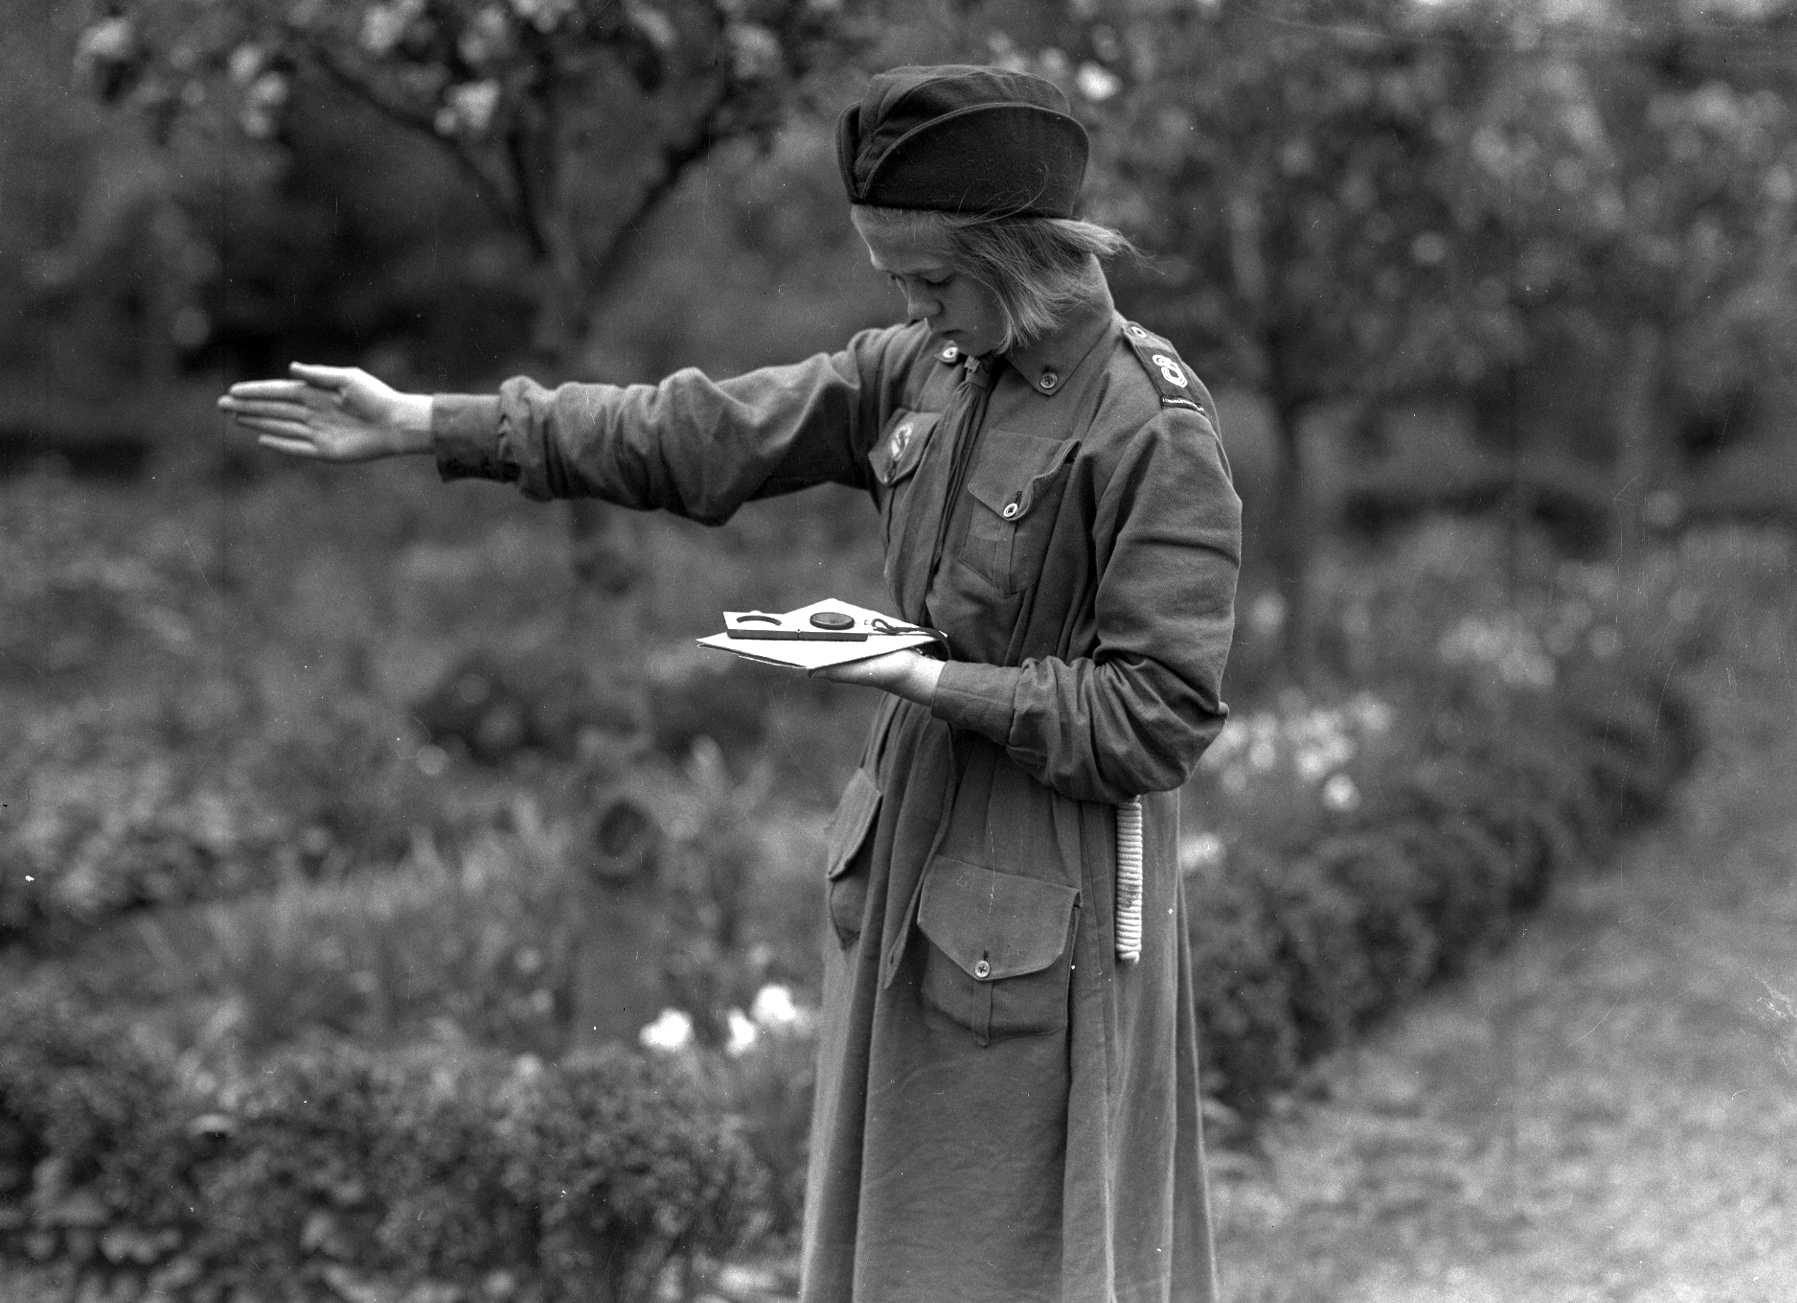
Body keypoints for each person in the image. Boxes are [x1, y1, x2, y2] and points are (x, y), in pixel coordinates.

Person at [220, 64, 1241, 1303]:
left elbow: (1157, 715)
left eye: (932, 280)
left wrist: (927, 678)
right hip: (914, 872)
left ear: (1023, 258)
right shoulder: (924, 368)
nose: (917, 309)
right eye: (897, 285)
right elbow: (693, 432)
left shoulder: (1149, 424)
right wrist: (436, 424)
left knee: (1015, 1251)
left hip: (1047, 896)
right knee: (897, 1249)